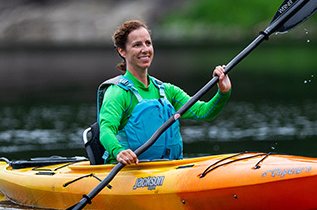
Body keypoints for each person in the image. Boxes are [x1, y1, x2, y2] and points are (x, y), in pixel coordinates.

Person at [98, 20, 231, 165]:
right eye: (137, 45)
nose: (145, 49)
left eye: (148, 43)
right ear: (122, 51)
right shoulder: (117, 92)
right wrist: (118, 151)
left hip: (167, 169)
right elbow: (106, 131)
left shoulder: (167, 91)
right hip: (129, 171)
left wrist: (223, 92)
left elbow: (204, 112)